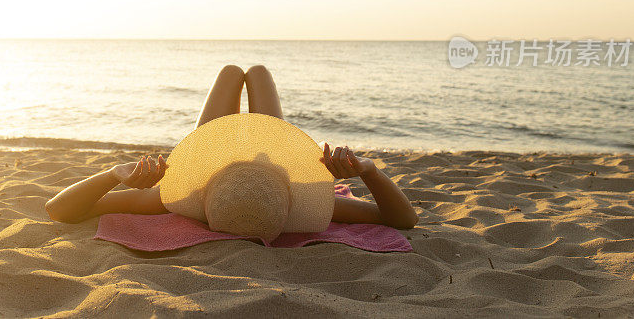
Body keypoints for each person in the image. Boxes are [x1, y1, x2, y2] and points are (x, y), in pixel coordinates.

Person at [44, 65, 418, 230]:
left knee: (229, 73)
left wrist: (114, 174)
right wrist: (368, 169)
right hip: (258, 174)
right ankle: (253, 77)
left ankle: (237, 75)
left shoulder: (170, 199)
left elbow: (58, 210)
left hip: (221, 168)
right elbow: (403, 220)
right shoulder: (296, 199)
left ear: (207, 201)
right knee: (256, 73)